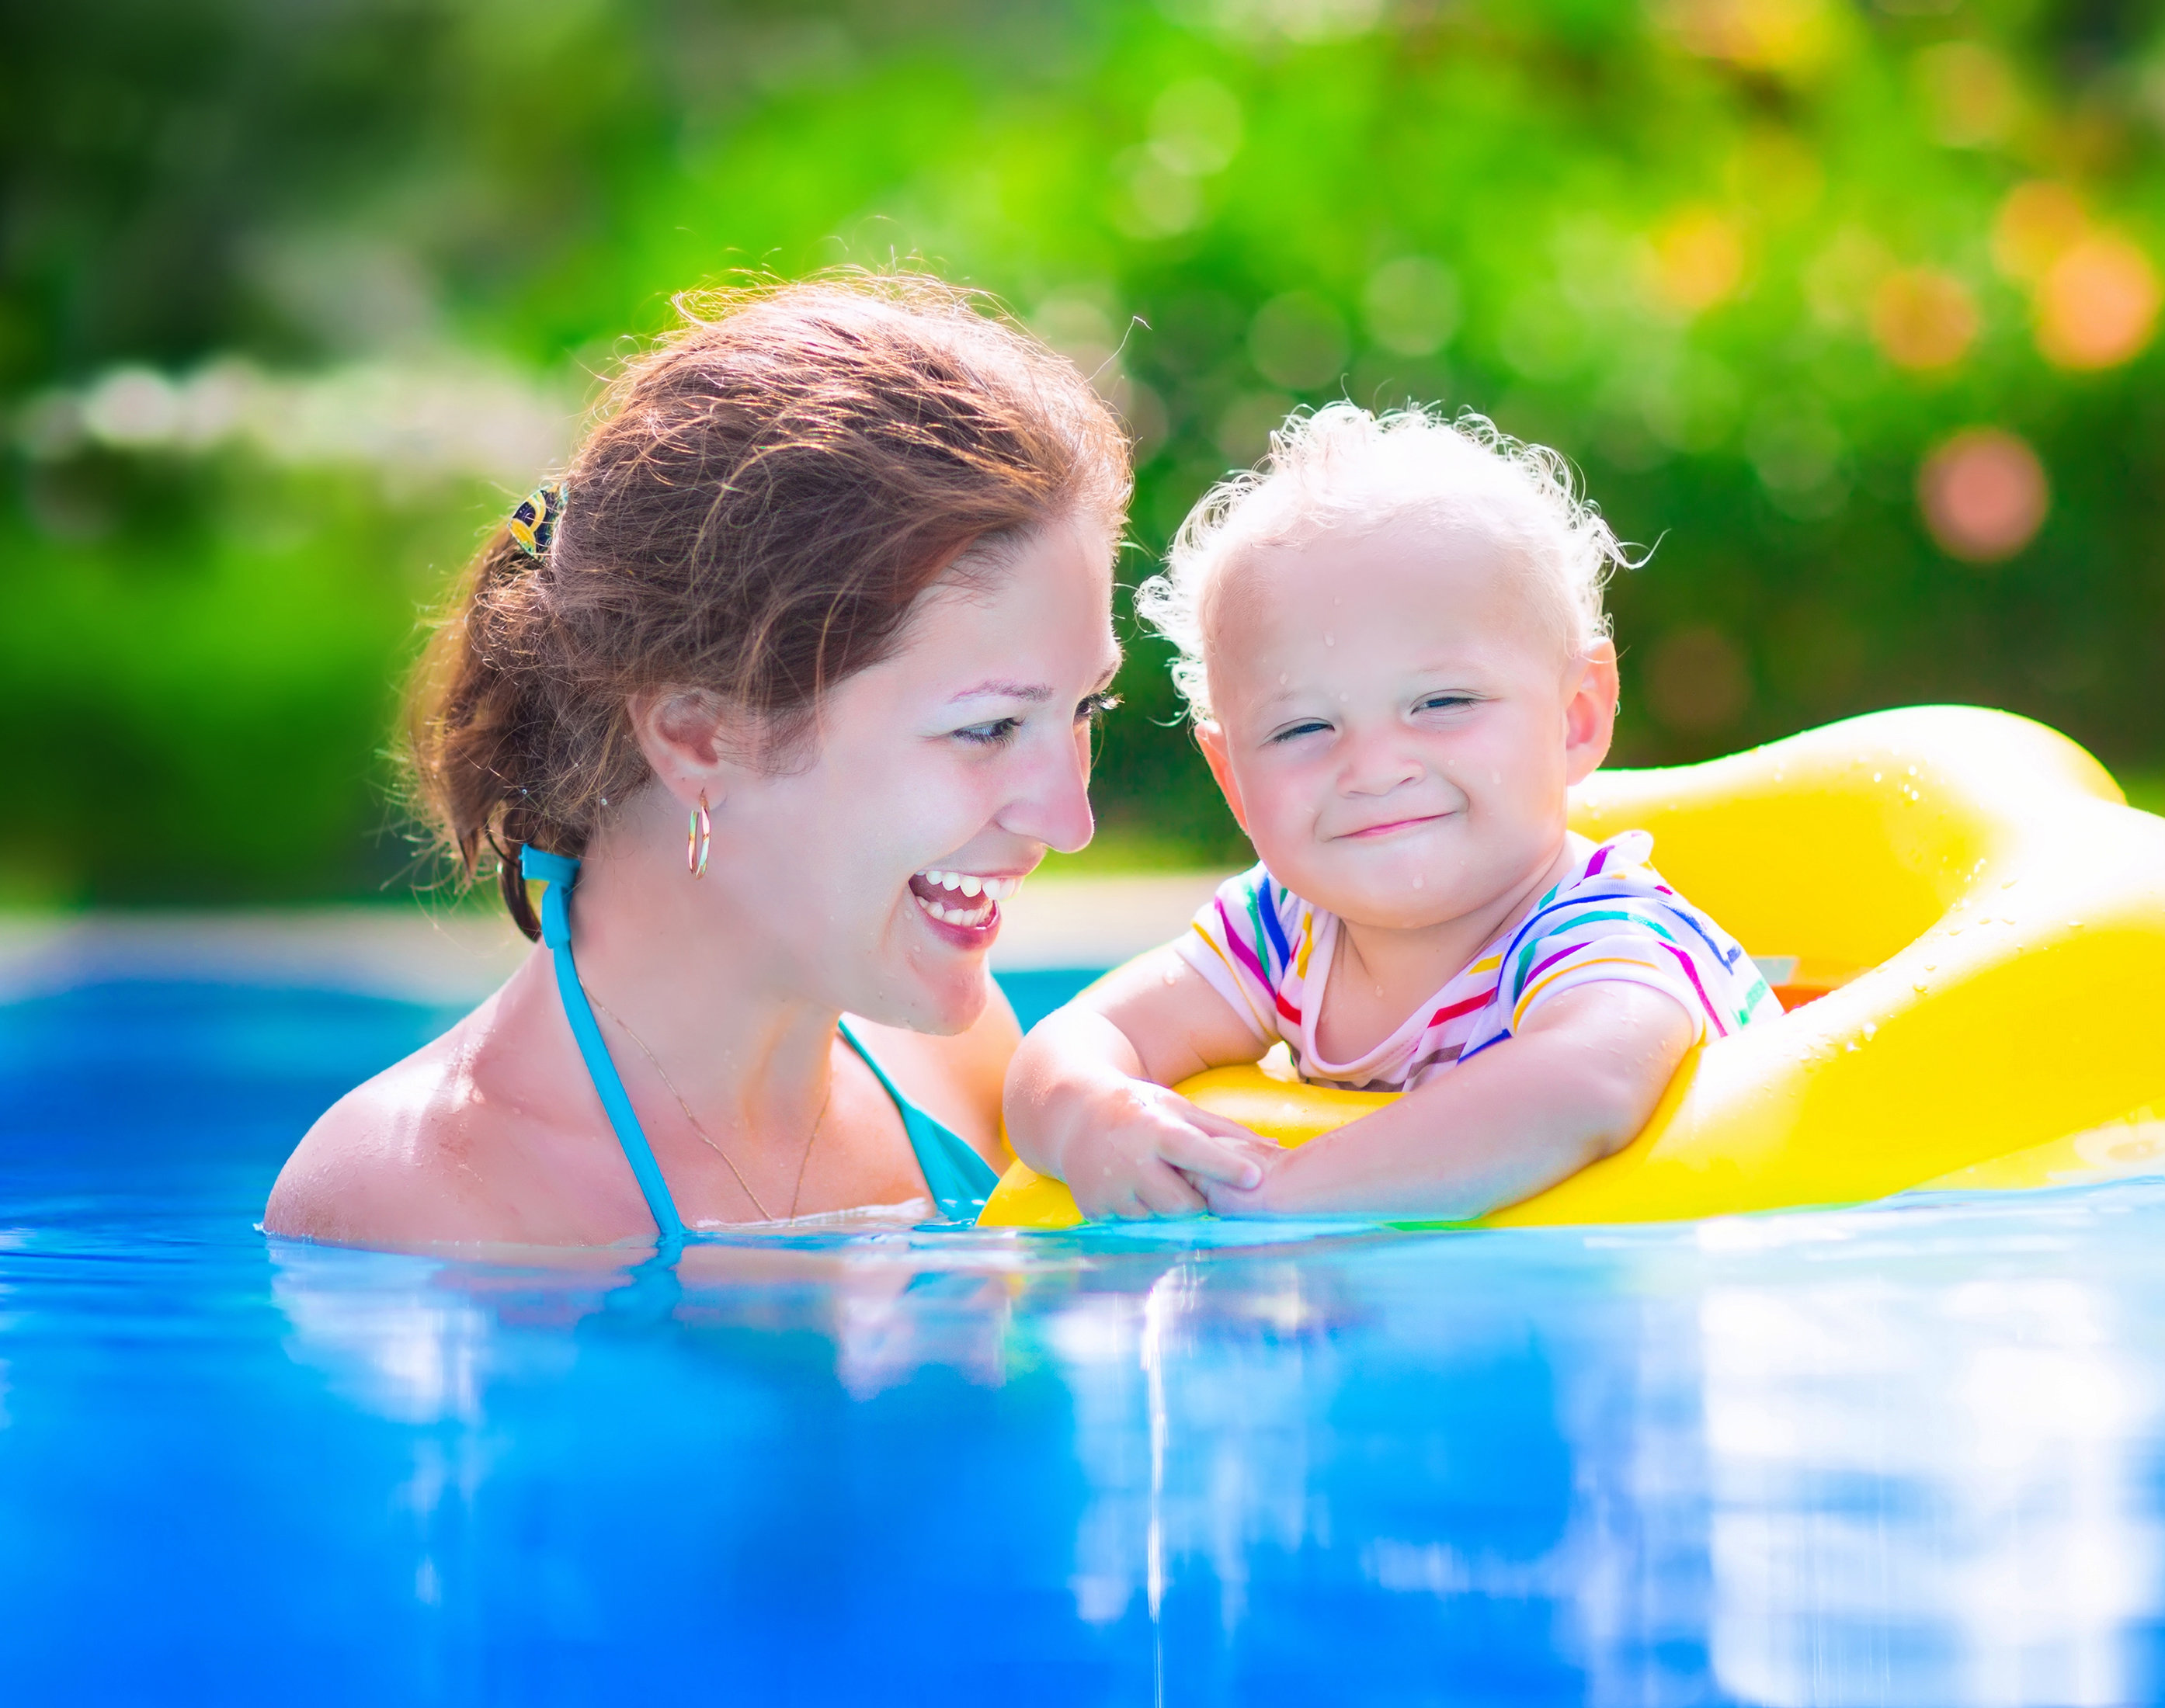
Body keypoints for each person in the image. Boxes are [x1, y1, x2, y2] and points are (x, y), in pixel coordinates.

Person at [267, 275, 1156, 1247]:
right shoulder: (422, 1199)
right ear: (698, 736)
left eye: (1085, 707)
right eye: (987, 728)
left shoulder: (963, 1070)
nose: (1070, 821)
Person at [1003, 404, 1775, 1221]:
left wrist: (1275, 1202)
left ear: (1576, 713)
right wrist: (1095, 1116)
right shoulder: (1281, 930)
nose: (1372, 768)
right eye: (1303, 727)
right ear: (1231, 775)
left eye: (1441, 701)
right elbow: (1065, 1046)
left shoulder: (1604, 934)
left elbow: (1581, 1086)